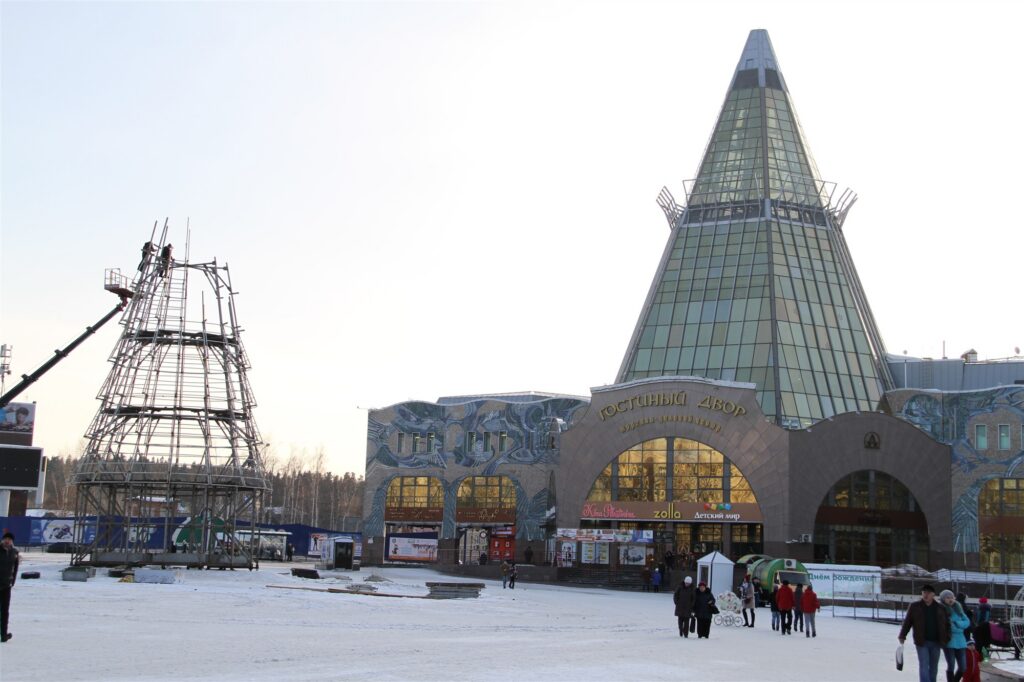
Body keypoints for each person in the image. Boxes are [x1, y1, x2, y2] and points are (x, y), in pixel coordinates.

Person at [899, 584, 951, 682]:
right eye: (924, 593)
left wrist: (947, 637)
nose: (926, 595)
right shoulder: (915, 606)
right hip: (921, 641)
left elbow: (947, 624)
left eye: (928, 593)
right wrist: (902, 635)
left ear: (933, 595)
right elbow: (907, 622)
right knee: (923, 664)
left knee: (933, 666)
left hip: (936, 641)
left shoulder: (940, 608)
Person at [941, 589, 970, 682]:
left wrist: (957, 623)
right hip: (949, 641)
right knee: (951, 666)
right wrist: (958, 625)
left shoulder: (958, 609)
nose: (950, 599)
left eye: (952, 597)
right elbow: (947, 625)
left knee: (963, 667)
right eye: (947, 597)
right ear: (943, 599)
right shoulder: (942, 609)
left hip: (961, 642)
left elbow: (967, 622)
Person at [0, 531, 19, 643]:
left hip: (7, 585)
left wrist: (12, 581)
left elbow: (15, 568)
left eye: (9, 539)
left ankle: (3, 634)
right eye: (6, 539)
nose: (7, 541)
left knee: (5, 611)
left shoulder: (14, 552)